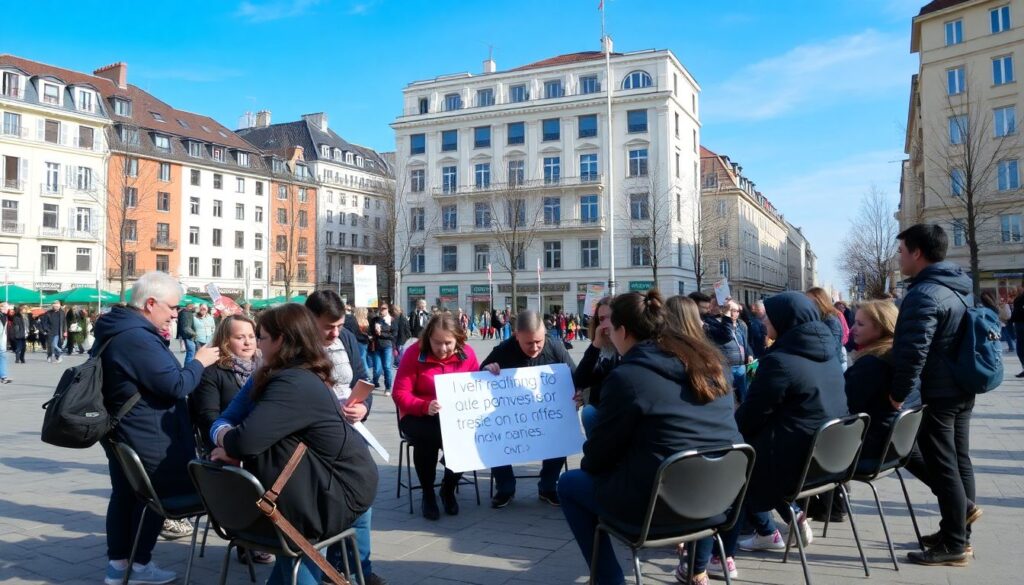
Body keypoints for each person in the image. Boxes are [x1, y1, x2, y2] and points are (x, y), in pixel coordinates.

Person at [558, 291, 740, 585]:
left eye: (610, 328)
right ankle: (695, 567)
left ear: (623, 331)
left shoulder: (629, 376)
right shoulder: (711, 364)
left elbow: (597, 456)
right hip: (719, 502)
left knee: (569, 483)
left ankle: (609, 580)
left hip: (658, 509)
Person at [210, 304, 378, 585]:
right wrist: (228, 438)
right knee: (293, 550)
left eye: (262, 336)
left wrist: (227, 442)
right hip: (310, 482)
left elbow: (246, 441)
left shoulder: (293, 382)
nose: (257, 344)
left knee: (296, 546)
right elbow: (241, 432)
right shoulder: (283, 375)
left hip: (336, 488)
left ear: (282, 340)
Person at [94, 271, 220, 585]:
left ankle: (119, 568)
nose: (176, 314)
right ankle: (138, 566)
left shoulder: (124, 329)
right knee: (152, 499)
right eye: (172, 308)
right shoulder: (136, 337)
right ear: (151, 304)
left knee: (125, 497)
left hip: (127, 430)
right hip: (146, 434)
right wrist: (200, 361)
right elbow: (176, 384)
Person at [726, 292, 847, 567]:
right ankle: (771, 526)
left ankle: (719, 557)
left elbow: (750, 417)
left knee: (736, 461)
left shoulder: (781, 360)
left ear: (785, 320)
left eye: (769, 315)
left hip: (797, 461)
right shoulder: (826, 353)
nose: (764, 320)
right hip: (829, 458)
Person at [889, 224, 976, 566]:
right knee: (958, 461)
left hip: (938, 391)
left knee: (943, 465)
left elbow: (913, 351)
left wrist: (898, 395)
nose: (899, 258)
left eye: (901, 251)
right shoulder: (957, 287)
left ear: (917, 253)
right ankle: (958, 532)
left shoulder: (924, 294)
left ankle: (954, 542)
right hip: (961, 386)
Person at [189, 314, 274, 566]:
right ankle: (248, 538)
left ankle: (274, 532)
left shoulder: (266, 368)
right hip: (221, 445)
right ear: (225, 340)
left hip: (256, 441)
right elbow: (208, 417)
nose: (248, 342)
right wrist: (233, 442)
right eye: (240, 337)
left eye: (252, 336)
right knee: (250, 474)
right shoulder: (213, 372)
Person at [481, 310, 577, 508]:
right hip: (510, 417)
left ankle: (548, 486)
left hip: (546, 414)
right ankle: (505, 488)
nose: (535, 347)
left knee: (562, 431)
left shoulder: (555, 347)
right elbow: (478, 375)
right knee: (491, 434)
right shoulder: (504, 349)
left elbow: (576, 377)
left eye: (539, 342)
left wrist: (578, 395)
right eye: (529, 343)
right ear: (516, 336)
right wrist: (487, 370)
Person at [392, 313, 480, 520]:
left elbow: (477, 385)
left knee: (467, 439)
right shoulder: (414, 353)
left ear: (458, 339)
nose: (442, 349)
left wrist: (489, 372)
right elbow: (400, 394)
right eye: (437, 343)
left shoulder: (467, 354)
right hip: (419, 415)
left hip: (454, 417)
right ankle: (428, 492)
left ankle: (448, 488)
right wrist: (424, 406)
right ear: (427, 338)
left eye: (448, 343)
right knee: (428, 439)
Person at [845, 300, 912, 464]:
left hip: (870, 449)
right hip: (893, 446)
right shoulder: (898, 355)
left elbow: (845, 405)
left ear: (881, 327)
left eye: (860, 324)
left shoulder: (873, 363)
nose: (853, 329)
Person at [572, 298, 617, 438]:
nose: (605, 323)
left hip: (619, 406)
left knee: (590, 412)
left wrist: (587, 393)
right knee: (588, 413)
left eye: (610, 318)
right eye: (601, 319)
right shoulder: (600, 347)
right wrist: (596, 344)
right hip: (601, 405)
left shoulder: (625, 345)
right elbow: (580, 379)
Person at [807, 287, 847, 370]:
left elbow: (833, 348)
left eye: (810, 301)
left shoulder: (830, 320)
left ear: (820, 301)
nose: (807, 304)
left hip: (833, 367)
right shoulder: (816, 317)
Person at [370, 303, 395, 392]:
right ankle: (375, 381)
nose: (382, 310)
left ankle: (387, 387)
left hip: (387, 346)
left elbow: (393, 335)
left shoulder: (391, 320)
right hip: (377, 346)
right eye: (380, 309)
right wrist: (375, 331)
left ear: (388, 309)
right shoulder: (375, 320)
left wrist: (381, 333)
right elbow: (371, 332)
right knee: (377, 369)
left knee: (387, 367)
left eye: (384, 308)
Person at [1012, 286, 1024, 377]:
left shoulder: (1018, 300)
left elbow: (1016, 313)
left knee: (1020, 349)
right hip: (1019, 324)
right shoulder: (1018, 299)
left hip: (1020, 325)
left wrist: (1010, 320)